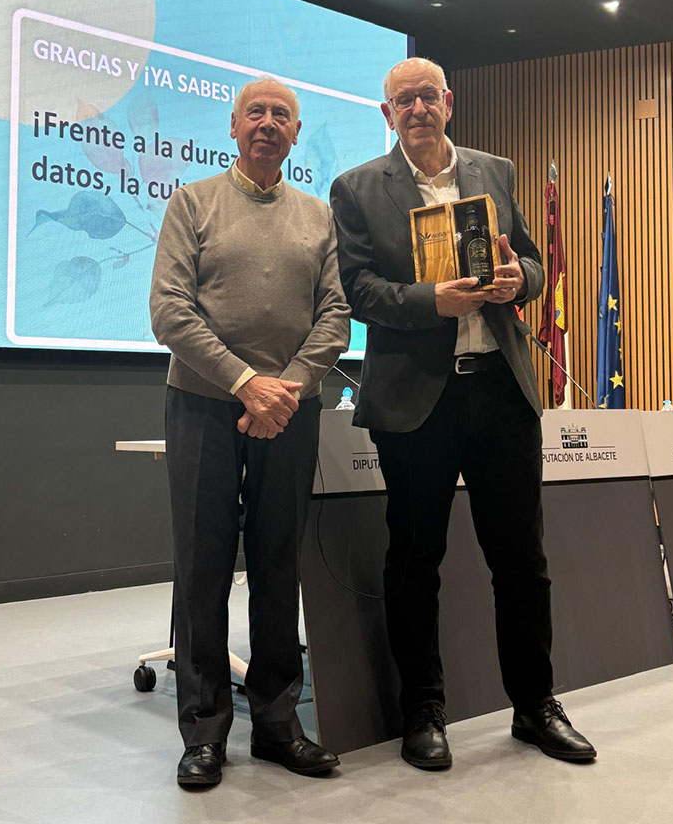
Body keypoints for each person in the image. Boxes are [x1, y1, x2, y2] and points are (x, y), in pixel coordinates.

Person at [330, 57, 596, 770]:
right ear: (387, 114)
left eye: (428, 96)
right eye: (403, 100)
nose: (417, 108)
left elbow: (534, 264)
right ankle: (424, 710)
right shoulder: (356, 188)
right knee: (416, 561)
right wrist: (432, 302)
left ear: (448, 102)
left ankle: (535, 705)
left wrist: (518, 280)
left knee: (521, 560)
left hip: (501, 393)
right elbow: (357, 289)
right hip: (418, 399)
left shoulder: (494, 171)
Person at [150, 77, 350, 787]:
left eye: (282, 115)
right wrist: (245, 382)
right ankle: (204, 731)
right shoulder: (192, 203)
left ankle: (276, 724)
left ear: (296, 133)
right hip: (203, 404)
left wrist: (283, 388)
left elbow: (336, 315)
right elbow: (169, 311)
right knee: (202, 566)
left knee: (277, 564)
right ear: (232, 127)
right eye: (255, 113)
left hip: (289, 410)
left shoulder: (319, 216)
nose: (268, 123)